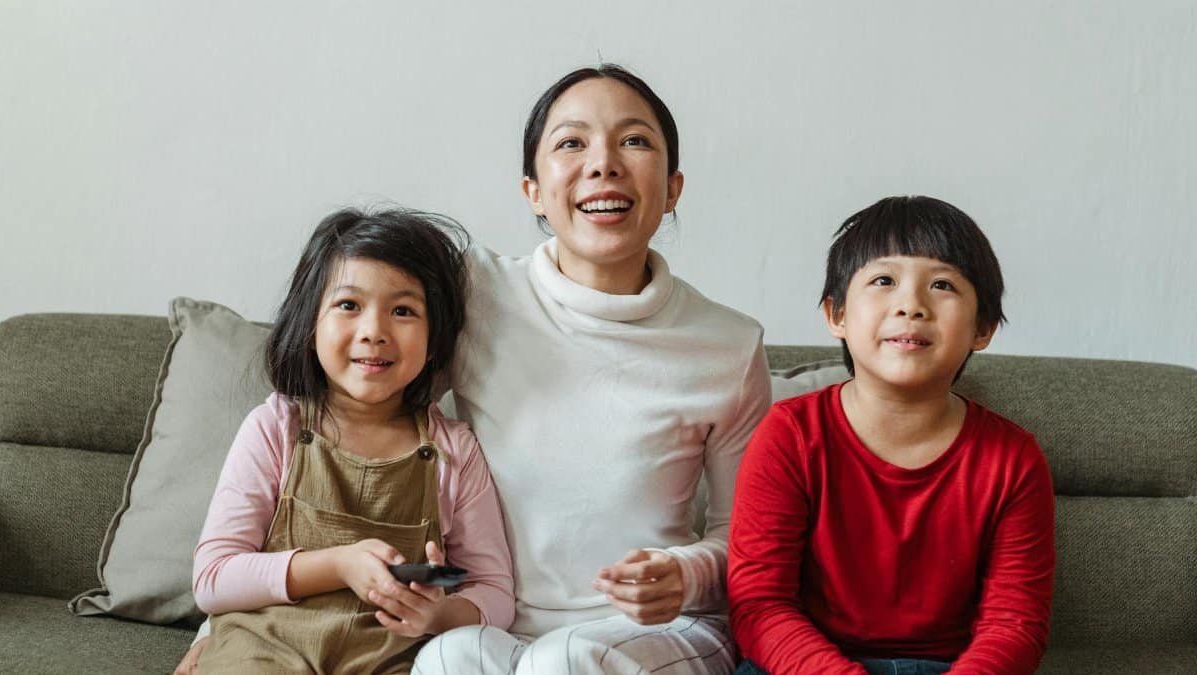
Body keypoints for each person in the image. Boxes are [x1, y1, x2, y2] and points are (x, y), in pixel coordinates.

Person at [179, 64, 769, 675]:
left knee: (564, 662)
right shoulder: (475, 291)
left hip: (659, 629)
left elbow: (749, 544)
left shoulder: (727, 346)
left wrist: (684, 573)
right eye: (571, 142)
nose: (604, 164)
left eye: (634, 140)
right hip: (498, 624)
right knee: (449, 658)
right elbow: (356, 416)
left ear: (672, 188)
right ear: (532, 190)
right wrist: (227, 627)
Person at [728, 196, 1055, 675]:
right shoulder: (789, 434)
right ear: (836, 314)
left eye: (942, 285)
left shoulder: (1014, 458)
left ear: (982, 328)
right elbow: (759, 603)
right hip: (810, 665)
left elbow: (1015, 624)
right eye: (884, 281)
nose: (911, 305)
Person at [190, 208, 514, 674]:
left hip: (392, 656)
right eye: (349, 305)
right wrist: (340, 565)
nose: (374, 332)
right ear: (310, 321)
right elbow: (214, 577)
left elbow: (494, 591)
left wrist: (440, 613)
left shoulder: (455, 451)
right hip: (262, 650)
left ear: (436, 334)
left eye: (403, 311)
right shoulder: (274, 428)